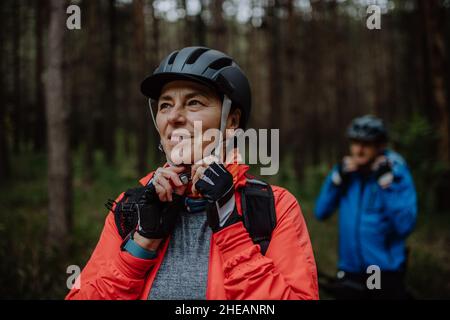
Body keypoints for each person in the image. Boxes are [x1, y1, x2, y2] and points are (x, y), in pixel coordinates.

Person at [66, 46, 318, 300]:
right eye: (165, 105)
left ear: (231, 122)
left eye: (194, 102)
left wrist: (230, 225)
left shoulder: (272, 206)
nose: (173, 117)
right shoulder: (130, 208)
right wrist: (142, 243)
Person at [315, 115, 417, 299]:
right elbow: (321, 212)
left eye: (367, 143)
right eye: (355, 142)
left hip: (381, 269)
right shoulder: (346, 173)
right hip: (349, 268)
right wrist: (336, 180)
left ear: (380, 146)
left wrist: (386, 185)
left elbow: (405, 224)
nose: (359, 149)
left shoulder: (396, 174)